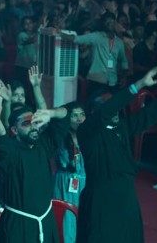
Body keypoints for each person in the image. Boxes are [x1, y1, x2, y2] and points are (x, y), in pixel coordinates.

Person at [76, 66, 157, 243]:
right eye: (110, 104)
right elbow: (106, 111)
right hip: (102, 202)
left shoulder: (122, 128)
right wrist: (137, 85)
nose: (116, 109)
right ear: (94, 111)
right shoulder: (87, 133)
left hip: (127, 199)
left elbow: (153, 111)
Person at [0, 88, 68, 243]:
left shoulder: (44, 145)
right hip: (18, 224)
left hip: (46, 221)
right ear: (14, 130)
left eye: (35, 122)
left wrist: (50, 113)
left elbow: (65, 114)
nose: (33, 127)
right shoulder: (9, 151)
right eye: (27, 123)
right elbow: (0, 135)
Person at [52, 103, 86, 243]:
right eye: (74, 115)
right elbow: (64, 163)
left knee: (85, 218)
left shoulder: (90, 136)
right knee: (68, 220)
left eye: (82, 114)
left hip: (84, 183)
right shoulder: (60, 138)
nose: (79, 119)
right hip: (65, 183)